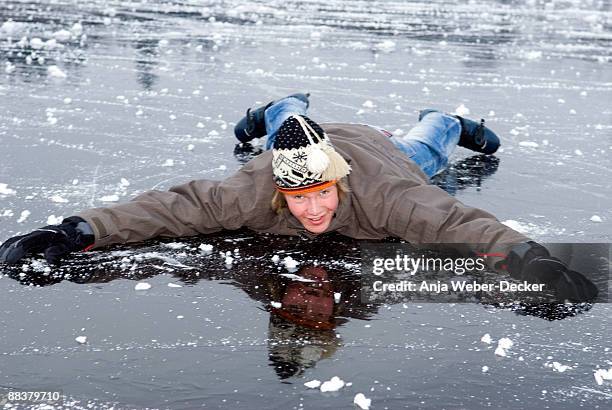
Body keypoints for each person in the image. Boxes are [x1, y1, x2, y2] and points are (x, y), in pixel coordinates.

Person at [0, 93, 598, 302]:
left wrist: (528, 258)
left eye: (322, 195)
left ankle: (445, 117)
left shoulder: (387, 196)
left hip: (377, 150)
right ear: (281, 190)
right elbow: (171, 206)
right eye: (298, 198)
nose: (312, 209)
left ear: (337, 183)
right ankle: (281, 109)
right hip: (293, 144)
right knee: (291, 119)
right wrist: (75, 230)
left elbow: (456, 220)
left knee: (428, 150)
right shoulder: (255, 192)